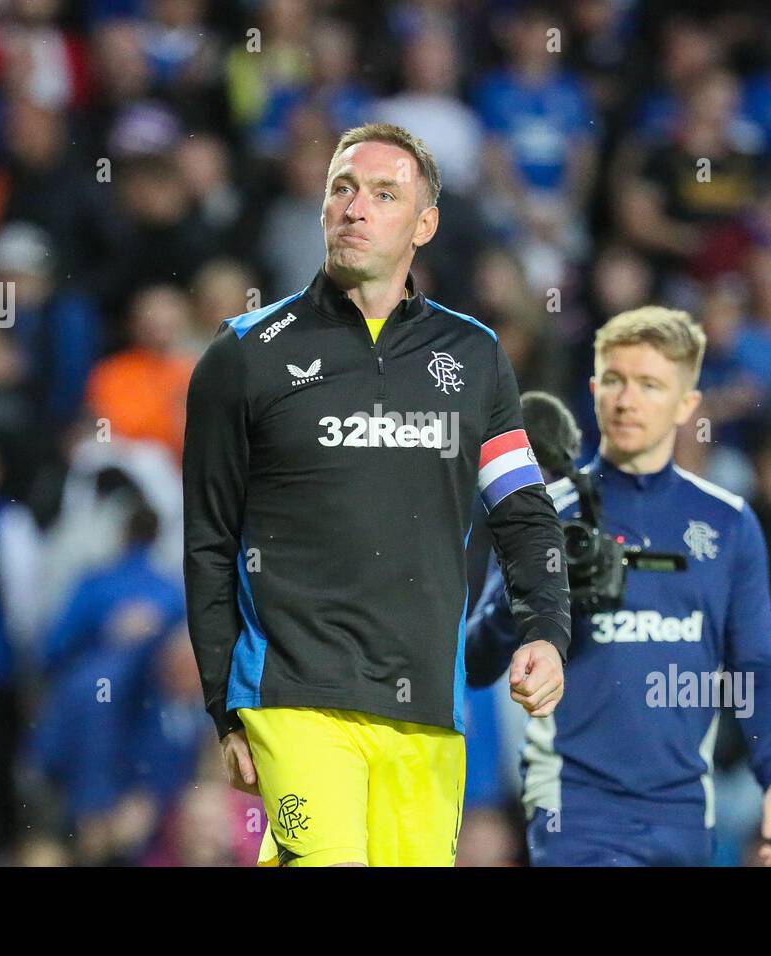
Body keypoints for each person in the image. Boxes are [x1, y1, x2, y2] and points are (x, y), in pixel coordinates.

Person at [182, 122, 571, 867]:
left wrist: (546, 631)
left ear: (425, 224)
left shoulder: (476, 357)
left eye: (383, 194)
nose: (355, 207)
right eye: (342, 188)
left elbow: (523, 513)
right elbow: (208, 542)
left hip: (427, 700)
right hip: (294, 692)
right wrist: (224, 711)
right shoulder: (243, 357)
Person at [467, 306, 771, 866]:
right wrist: (524, 597)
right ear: (595, 390)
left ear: (687, 404)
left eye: (650, 385)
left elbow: (760, 667)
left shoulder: (728, 524)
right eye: (616, 381)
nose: (627, 400)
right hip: (572, 807)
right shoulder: (542, 517)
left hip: (683, 812)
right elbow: (478, 663)